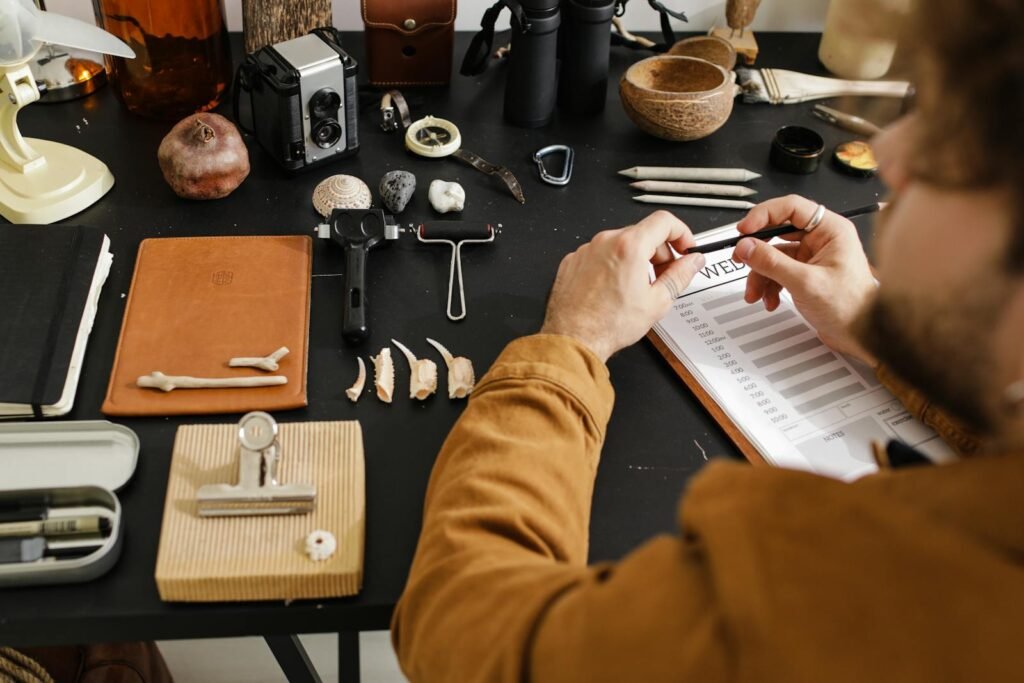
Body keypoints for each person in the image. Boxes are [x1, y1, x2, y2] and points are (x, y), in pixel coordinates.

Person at [391, 0, 1024, 680]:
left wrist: (569, 343)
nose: (894, 154)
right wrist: (884, 329)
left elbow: (470, 628)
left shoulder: (840, 587)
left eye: (963, 128)